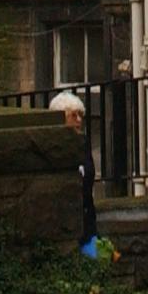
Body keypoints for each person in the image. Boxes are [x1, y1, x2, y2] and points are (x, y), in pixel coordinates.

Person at [48, 91, 98, 255]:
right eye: (73, 116)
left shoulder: (83, 143)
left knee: (94, 262)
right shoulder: (53, 147)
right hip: (64, 222)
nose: (79, 120)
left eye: (80, 116)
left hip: (86, 219)